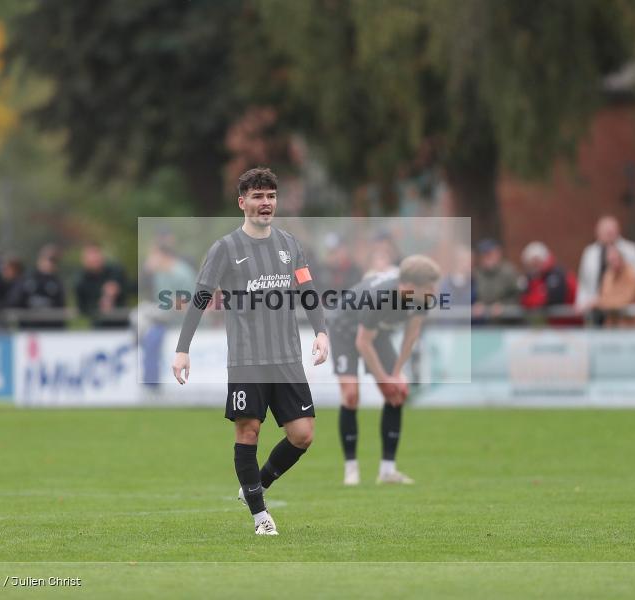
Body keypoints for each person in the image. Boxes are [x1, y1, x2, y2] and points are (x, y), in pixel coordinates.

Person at [171, 167, 329, 536]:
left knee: (303, 434)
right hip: (247, 358)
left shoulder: (291, 245)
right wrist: (183, 350)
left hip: (287, 356)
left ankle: (255, 486)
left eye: (271, 196)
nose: (265, 203)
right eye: (257, 197)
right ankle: (261, 517)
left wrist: (320, 331)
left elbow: (307, 289)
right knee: (249, 431)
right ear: (242, 202)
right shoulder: (225, 249)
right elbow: (200, 298)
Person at [328, 254, 442, 486]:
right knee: (351, 395)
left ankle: (387, 471)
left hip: (376, 333)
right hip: (345, 330)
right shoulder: (380, 298)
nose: (434, 291)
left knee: (397, 394)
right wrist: (384, 379)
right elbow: (362, 342)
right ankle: (351, 470)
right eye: (429, 287)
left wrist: (396, 374)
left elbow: (411, 335)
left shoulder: (423, 298)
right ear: (409, 286)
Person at [576, 216, 635, 324]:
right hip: (602, 313)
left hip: (628, 316)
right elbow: (584, 282)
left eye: (611, 231)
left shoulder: (631, 263)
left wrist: (597, 302)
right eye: (605, 232)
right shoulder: (593, 256)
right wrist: (583, 303)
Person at [143, 242, 196, 387]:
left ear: (163, 256)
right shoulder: (159, 273)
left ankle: (152, 384)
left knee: (146, 324)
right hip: (164, 319)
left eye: (154, 255)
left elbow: (192, 305)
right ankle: (150, 383)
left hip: (179, 321)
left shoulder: (181, 273)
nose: (150, 259)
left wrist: (173, 303)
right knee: (142, 318)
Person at [520, 242, 581, 326]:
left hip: (569, 324)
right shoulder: (534, 277)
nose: (534, 266)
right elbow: (524, 299)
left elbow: (553, 298)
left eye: (536, 261)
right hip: (552, 324)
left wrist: (536, 300)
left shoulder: (559, 275)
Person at [6, 244, 67, 329]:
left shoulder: (57, 283)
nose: (50, 263)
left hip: (50, 331)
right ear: (40, 260)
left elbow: (61, 307)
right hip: (29, 330)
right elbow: (14, 301)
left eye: (53, 261)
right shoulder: (27, 279)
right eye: (48, 259)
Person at [75, 242, 128, 328]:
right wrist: (98, 305)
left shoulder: (115, 271)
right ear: (84, 259)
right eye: (91, 255)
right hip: (99, 327)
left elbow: (128, 288)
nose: (94, 258)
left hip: (121, 324)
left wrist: (116, 291)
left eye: (96, 254)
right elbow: (82, 307)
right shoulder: (81, 281)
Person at [595, 245, 635, 328]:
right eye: (610, 260)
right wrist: (601, 301)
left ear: (621, 258)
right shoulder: (608, 274)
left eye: (614, 260)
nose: (612, 263)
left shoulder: (632, 275)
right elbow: (604, 295)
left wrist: (598, 303)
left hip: (634, 327)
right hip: (613, 326)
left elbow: (624, 300)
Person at [472, 238, 521, 325]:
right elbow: (476, 295)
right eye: (483, 254)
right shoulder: (478, 273)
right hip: (486, 324)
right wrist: (477, 304)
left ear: (498, 253)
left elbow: (518, 296)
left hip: (508, 324)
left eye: (489, 254)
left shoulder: (509, 271)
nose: (486, 257)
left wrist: (504, 306)